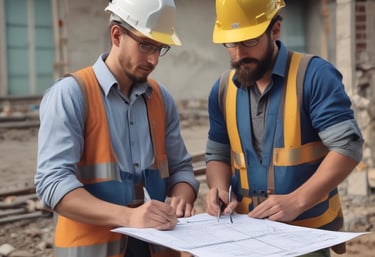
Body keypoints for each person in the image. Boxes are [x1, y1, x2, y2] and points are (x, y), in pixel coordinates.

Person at [34, 0, 199, 256]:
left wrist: (181, 196)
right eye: (146, 45)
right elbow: (52, 183)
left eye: (160, 48)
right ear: (116, 35)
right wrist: (128, 217)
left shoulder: (161, 98)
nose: (153, 59)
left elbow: (182, 170)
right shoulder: (70, 95)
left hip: (156, 248)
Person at [205, 0, 363, 256]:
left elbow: (348, 146)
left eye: (249, 41)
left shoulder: (314, 76)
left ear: (275, 30)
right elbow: (217, 154)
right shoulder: (222, 89)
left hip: (306, 236)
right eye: (231, 43)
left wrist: (297, 201)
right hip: (244, 233)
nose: (238, 54)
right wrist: (220, 188)